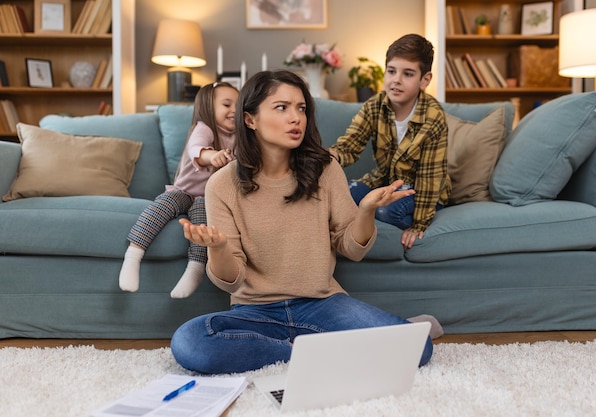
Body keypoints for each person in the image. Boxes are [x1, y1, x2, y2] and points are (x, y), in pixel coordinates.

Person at [170, 69, 433, 375]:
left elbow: (353, 248)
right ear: (250, 119)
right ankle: (307, 352)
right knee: (190, 343)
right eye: (281, 108)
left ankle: (310, 348)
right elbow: (233, 278)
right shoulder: (221, 184)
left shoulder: (326, 168)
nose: (296, 118)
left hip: (322, 303)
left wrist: (365, 211)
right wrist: (219, 248)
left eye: (301, 108)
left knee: (419, 349)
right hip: (255, 312)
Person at [329, 33, 451, 250]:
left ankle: (389, 217)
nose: (396, 80)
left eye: (408, 74)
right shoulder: (374, 106)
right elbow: (350, 145)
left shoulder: (433, 117)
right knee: (342, 195)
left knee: (387, 211)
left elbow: (429, 178)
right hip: (386, 181)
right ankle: (369, 214)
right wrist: (331, 156)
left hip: (419, 190)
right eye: (392, 71)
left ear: (425, 79)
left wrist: (419, 224)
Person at [118, 82, 239, 298]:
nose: (234, 111)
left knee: (203, 224)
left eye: (239, 105)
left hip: (208, 197)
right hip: (183, 190)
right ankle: (133, 255)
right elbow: (196, 149)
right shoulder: (204, 128)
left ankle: (195, 269)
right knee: (161, 206)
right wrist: (213, 156)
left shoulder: (241, 136)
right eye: (227, 104)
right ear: (208, 108)